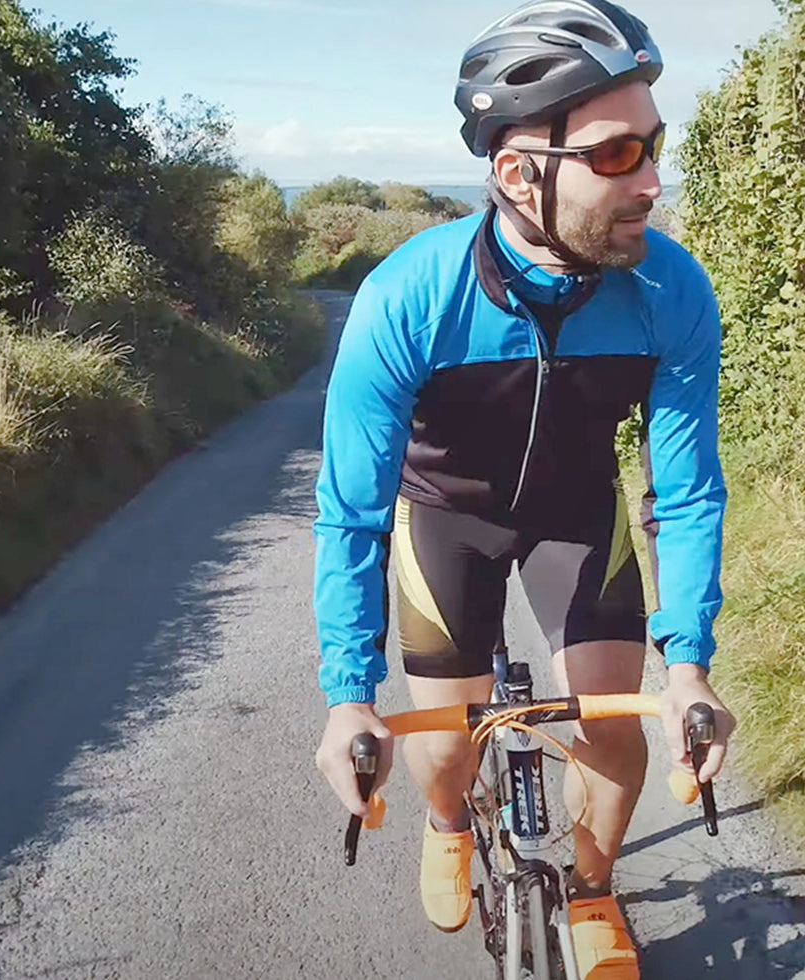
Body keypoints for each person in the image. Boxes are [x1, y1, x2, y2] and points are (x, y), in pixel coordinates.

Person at [311, 1, 732, 976]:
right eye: (618, 154)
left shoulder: (671, 289)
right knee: (448, 745)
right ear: (516, 173)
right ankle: (451, 818)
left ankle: (590, 886)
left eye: (654, 146)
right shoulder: (405, 297)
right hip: (444, 519)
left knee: (610, 731)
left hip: (575, 518)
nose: (654, 181)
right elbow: (352, 510)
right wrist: (346, 696)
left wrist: (692, 664)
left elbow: (687, 489)